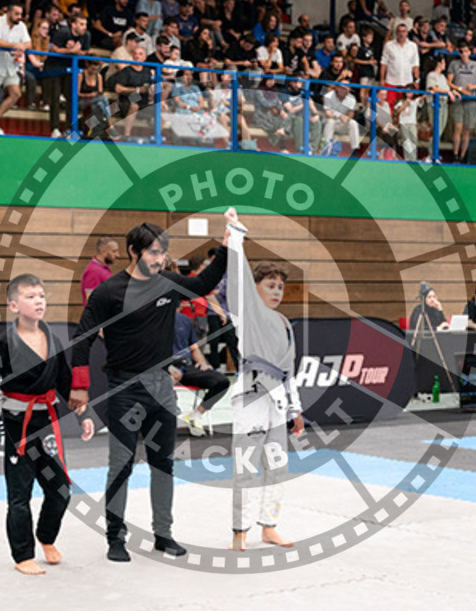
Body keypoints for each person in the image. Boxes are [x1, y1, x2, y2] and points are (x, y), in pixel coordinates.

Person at [68, 218, 230, 563]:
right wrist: (80, 388)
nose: (159, 259)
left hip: (161, 388)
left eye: (163, 252)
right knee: (121, 466)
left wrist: (227, 248)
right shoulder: (108, 292)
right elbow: (81, 340)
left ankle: (163, 534)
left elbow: (202, 283)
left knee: (163, 465)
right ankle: (115, 537)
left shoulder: (167, 283)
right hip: (124, 387)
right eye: (153, 253)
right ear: (133, 251)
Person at [0, 273, 95, 575]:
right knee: (20, 493)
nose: (38, 301)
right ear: (14, 305)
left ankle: (46, 537)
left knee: (61, 489)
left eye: (41, 295)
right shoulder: (3, 344)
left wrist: (84, 413)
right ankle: (22, 554)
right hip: (17, 421)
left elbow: (65, 379)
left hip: (46, 418)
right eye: (30, 296)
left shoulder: (52, 338)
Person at [224, 208, 303, 552]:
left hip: (278, 403)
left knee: (277, 467)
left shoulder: (285, 323)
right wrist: (235, 235)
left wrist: (296, 410)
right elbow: (237, 281)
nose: (276, 291)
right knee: (245, 468)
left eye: (280, 287)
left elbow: (290, 373)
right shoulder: (248, 315)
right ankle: (239, 533)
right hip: (251, 400)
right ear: (254, 290)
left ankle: (269, 526)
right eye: (269, 285)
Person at [171, 306, 230, 435]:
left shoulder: (184, 320)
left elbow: (194, 348)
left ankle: (196, 414)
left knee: (221, 381)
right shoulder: (150, 321)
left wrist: (203, 363)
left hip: (185, 367)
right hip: (161, 369)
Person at [0, 2, 30, 136]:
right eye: (16, 14)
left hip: (11, 65)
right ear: (9, 13)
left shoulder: (21, 26)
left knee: (16, 93)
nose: (19, 17)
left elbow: (28, 43)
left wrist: (22, 47)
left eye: (21, 14)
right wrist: (14, 46)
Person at [80, 236, 119, 306]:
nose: (118, 255)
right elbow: (91, 302)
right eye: (114, 251)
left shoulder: (102, 269)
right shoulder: (93, 271)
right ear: (103, 251)